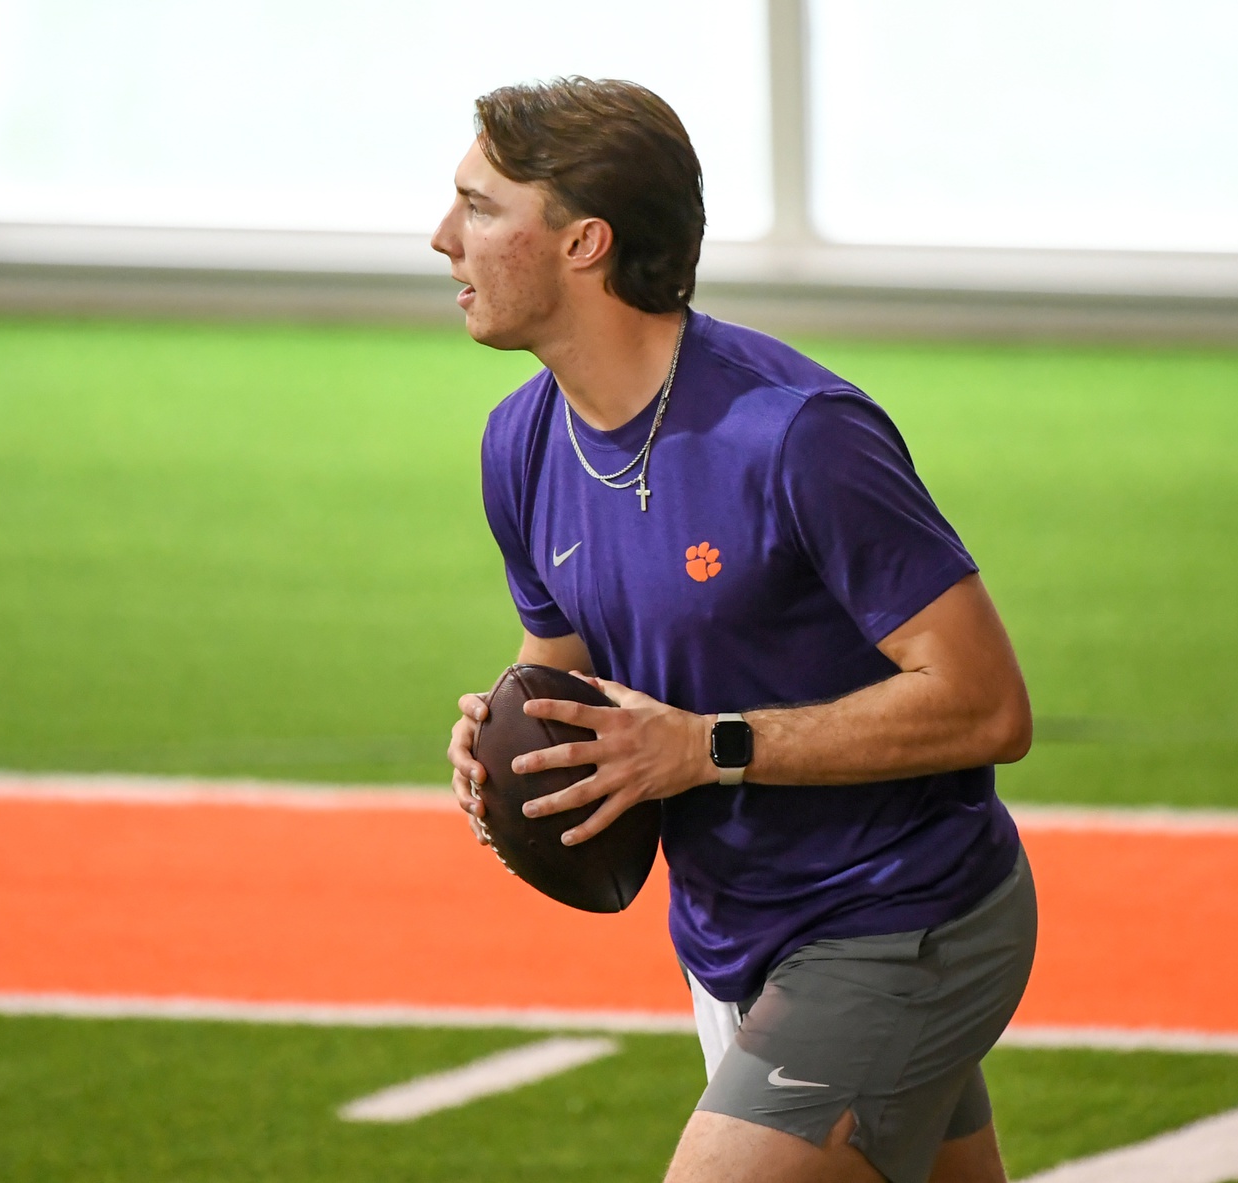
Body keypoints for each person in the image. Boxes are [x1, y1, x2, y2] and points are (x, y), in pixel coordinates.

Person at [435, 77, 1037, 1183]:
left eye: (478, 208)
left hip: (903, 915)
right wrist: (501, 733)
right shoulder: (519, 445)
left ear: (585, 243)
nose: (441, 239)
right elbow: (561, 667)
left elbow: (987, 703)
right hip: (731, 935)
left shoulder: (796, 435)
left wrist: (705, 747)